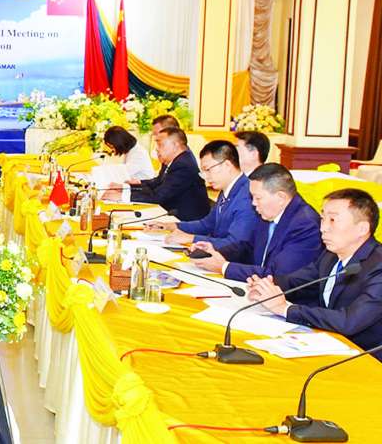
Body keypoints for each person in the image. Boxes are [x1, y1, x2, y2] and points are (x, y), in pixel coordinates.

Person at [248, 188, 382, 360]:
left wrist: (285, 309)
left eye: (333, 220)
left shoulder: (378, 266)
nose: (323, 228)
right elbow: (297, 282)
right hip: (330, 344)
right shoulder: (330, 256)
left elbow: (349, 321)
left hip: (367, 359)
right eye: (322, 218)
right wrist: (266, 286)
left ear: (362, 228)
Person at [191, 163, 323, 280]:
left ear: (281, 197)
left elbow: (278, 275)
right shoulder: (269, 212)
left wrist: (224, 267)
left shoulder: (305, 225)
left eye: (258, 198)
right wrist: (215, 252)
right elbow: (248, 247)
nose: (253, 203)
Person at [151, 140, 260, 249]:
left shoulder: (247, 196)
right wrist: (171, 226)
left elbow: (236, 243)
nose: (206, 178)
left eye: (208, 170)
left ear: (227, 165)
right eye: (204, 172)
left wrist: (192, 238)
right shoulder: (228, 188)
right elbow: (207, 224)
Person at [114, 127, 210, 221]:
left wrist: (122, 196)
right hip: (170, 211)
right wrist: (127, 187)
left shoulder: (183, 165)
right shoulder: (174, 158)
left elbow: (157, 197)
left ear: (175, 145)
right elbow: (158, 182)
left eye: (160, 145)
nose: (157, 149)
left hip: (186, 220)